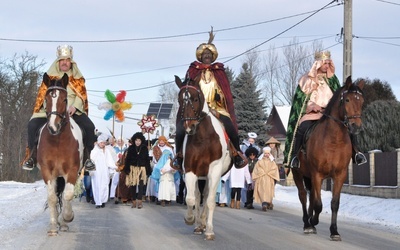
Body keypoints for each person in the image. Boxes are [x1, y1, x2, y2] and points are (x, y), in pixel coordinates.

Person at [174, 28, 245, 169]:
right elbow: (187, 88)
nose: (207, 56)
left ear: (213, 57)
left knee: (230, 127)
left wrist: (221, 102)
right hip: (195, 110)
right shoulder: (193, 71)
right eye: (204, 54)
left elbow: (224, 91)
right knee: (180, 129)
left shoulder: (218, 72)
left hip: (216, 108)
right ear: (200, 56)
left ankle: (236, 154)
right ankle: (179, 156)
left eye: (209, 54)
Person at [283, 51, 368, 169]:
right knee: (302, 128)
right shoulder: (306, 80)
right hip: (312, 114)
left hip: (330, 115)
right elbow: (299, 102)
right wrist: (312, 106)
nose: (327, 66)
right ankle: (295, 157)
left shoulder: (332, 80)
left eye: (329, 63)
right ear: (318, 64)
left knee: (349, 127)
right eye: (325, 63)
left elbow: (340, 99)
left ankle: (357, 153)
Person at [22, 45, 96, 171]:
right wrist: (49, 109)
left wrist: (75, 107)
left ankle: (87, 157)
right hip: (51, 110)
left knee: (89, 127)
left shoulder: (77, 78)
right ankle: (32, 156)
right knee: (32, 125)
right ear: (58, 62)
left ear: (71, 62)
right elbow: (42, 96)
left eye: (67, 60)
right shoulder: (49, 77)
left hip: (73, 111)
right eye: (62, 60)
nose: (65, 63)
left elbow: (81, 96)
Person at [123, 132, 150, 209]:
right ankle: (134, 201)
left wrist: (148, 170)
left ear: (141, 141)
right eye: (136, 140)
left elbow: (147, 159)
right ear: (134, 141)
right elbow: (127, 159)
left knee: (141, 186)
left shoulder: (144, 148)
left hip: (142, 169)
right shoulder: (131, 148)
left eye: (139, 141)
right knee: (133, 186)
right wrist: (127, 169)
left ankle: (140, 202)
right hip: (133, 169)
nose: (137, 142)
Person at [90, 134, 117, 208]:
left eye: (104, 143)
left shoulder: (106, 151)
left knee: (104, 185)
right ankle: (98, 202)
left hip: (105, 171)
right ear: (98, 142)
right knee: (97, 186)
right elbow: (92, 161)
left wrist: (113, 168)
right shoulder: (94, 151)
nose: (103, 144)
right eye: (101, 143)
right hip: (97, 172)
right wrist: (91, 170)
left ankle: (103, 201)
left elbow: (109, 161)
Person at [252, 147, 280, 211]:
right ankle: (263, 204)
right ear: (263, 153)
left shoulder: (272, 162)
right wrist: (262, 172)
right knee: (262, 191)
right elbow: (257, 168)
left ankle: (268, 203)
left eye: (268, 153)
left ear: (269, 154)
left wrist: (269, 173)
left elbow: (274, 169)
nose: (266, 155)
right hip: (261, 178)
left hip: (269, 179)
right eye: (265, 153)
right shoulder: (260, 161)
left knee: (268, 191)